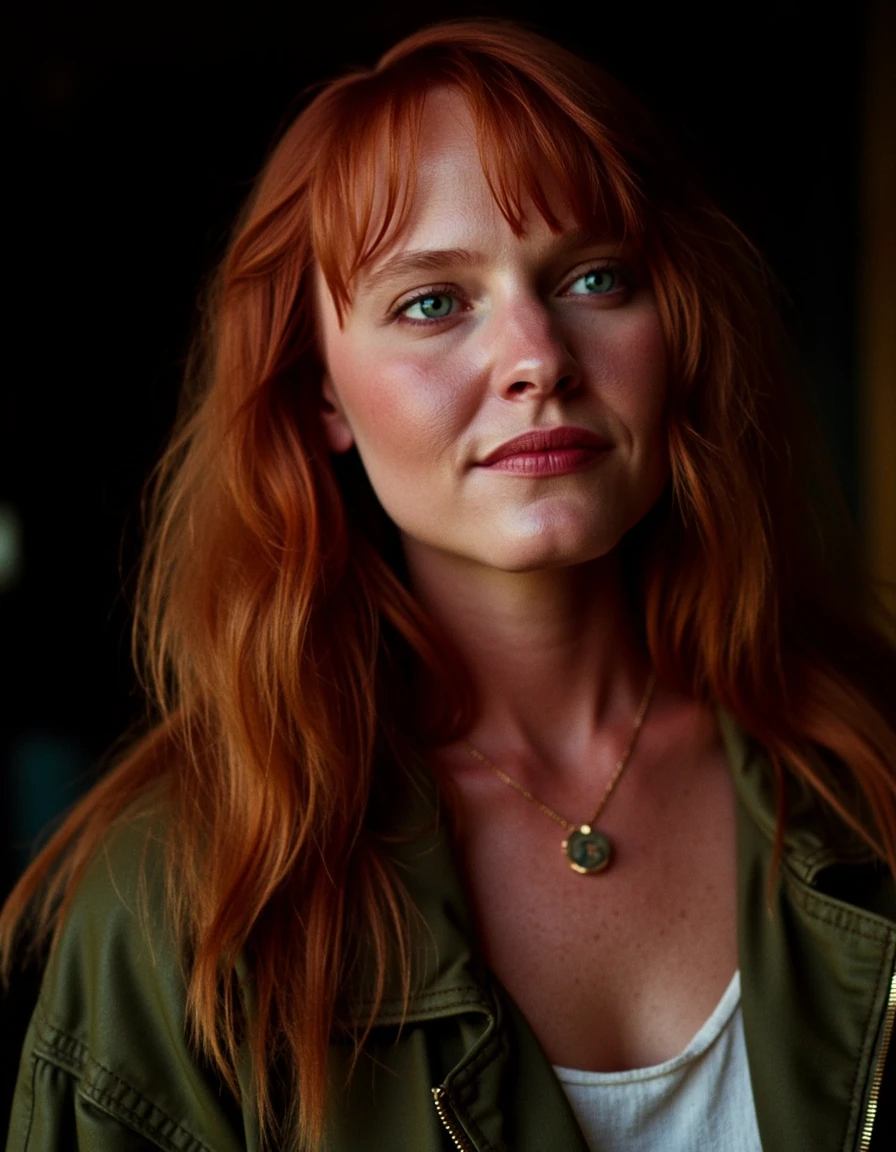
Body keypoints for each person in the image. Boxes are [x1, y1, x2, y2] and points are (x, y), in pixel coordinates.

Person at [3, 18, 896, 1151]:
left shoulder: (869, 767)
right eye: (432, 301)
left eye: (592, 277)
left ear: (676, 329)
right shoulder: (186, 889)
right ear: (319, 396)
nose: (536, 355)